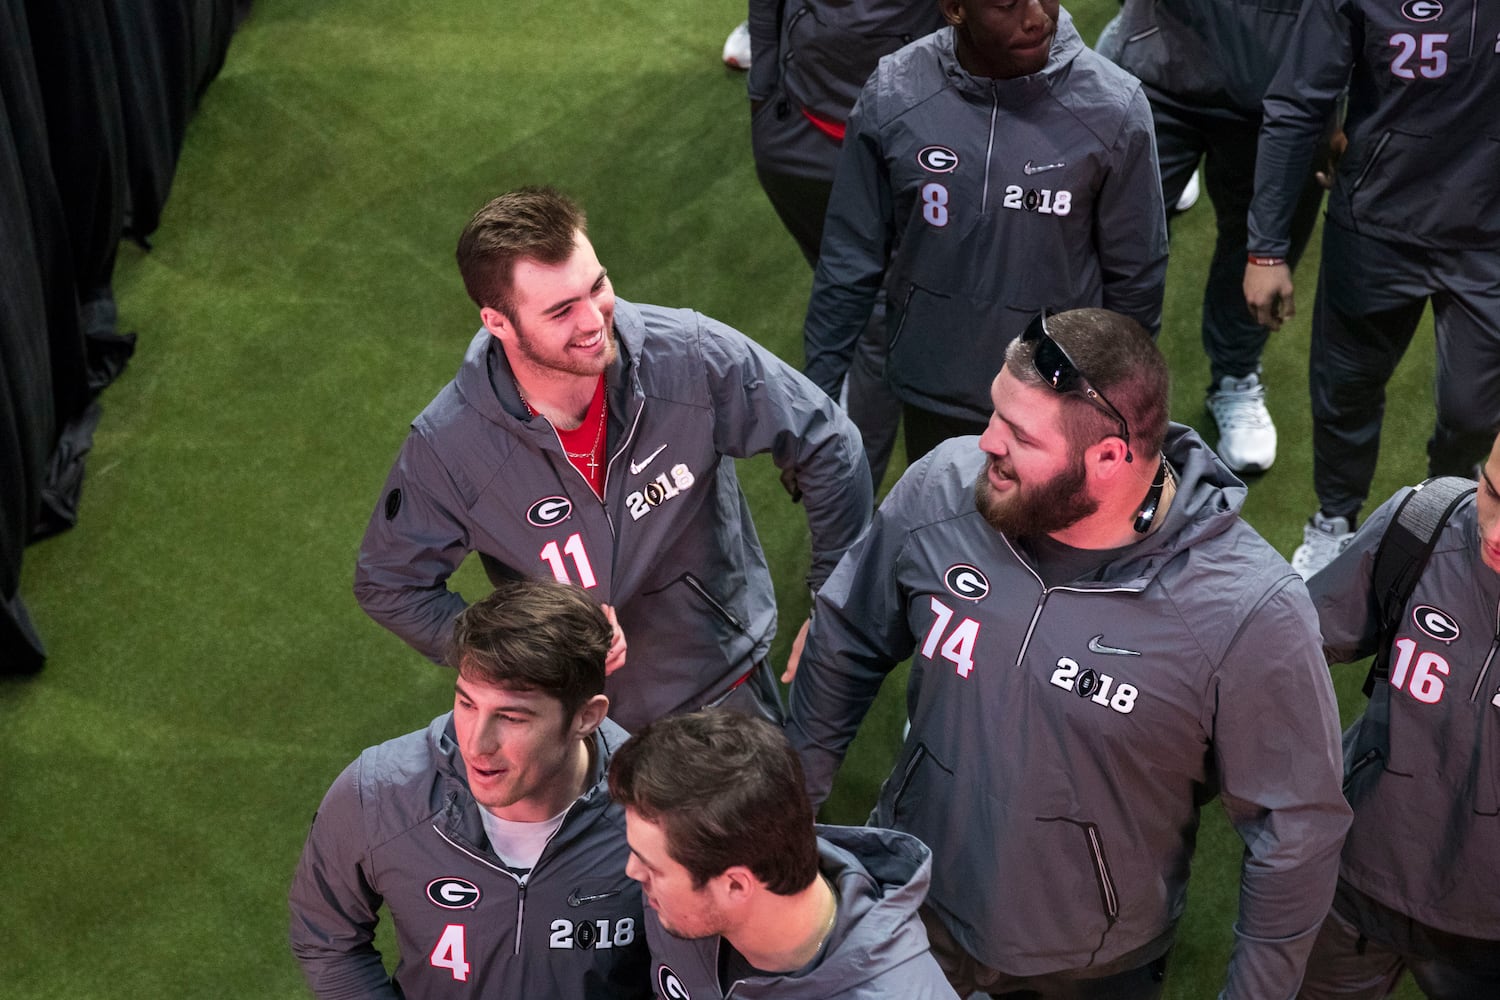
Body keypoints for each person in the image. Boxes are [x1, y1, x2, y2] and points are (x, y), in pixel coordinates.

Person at [787, 307, 1351, 998]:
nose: (985, 443)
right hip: (911, 901)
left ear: (1110, 458)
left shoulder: (1249, 613)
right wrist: (789, 820)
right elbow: (845, 637)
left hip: (1089, 965)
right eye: (995, 414)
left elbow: (1293, 833)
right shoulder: (942, 489)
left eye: (1019, 435)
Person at [354, 186, 872, 732]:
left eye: (596, 286)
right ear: (498, 323)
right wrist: (515, 653)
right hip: (579, 726)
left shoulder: (689, 356)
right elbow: (389, 584)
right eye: (560, 310)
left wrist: (833, 604)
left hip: (723, 688)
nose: (594, 321)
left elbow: (828, 441)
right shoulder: (451, 447)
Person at [803, 0, 1168, 471]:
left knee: (1045, 544)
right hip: (933, 386)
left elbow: (1136, 277)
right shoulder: (893, 95)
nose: (1037, 16)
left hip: (1057, 399)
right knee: (948, 536)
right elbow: (849, 258)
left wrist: (1122, 402)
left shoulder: (1114, 109)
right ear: (955, 8)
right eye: (1007, 4)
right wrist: (816, 400)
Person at [289, 578, 650, 998]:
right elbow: (327, 939)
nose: (476, 744)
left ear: (586, 717)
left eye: (512, 718)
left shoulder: (659, 812)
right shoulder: (377, 794)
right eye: (466, 703)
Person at [1244, 0, 1500, 577]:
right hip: (1377, 223)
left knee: (1471, 412)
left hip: (1490, 240)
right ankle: (1335, 519)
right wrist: (1266, 248)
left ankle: (1443, 515)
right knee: (1346, 390)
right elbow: (1298, 102)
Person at [1297, 433, 1500, 998]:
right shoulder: (1423, 523)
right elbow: (1283, 653)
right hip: (1350, 881)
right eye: (1493, 490)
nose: (1497, 530)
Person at [1096, 0, 1326, 474]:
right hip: (1158, 70)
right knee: (1110, 240)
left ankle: (1235, 374)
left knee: (1258, 251)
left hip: (1285, 91)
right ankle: (1099, 381)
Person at [609, 709, 959, 999]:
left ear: (735, 885)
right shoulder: (683, 898)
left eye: (653, 867)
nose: (632, 872)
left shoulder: (898, 992)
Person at [746, 0, 946, 487]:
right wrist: (765, 94)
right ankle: (845, 491)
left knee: (877, 316)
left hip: (903, 148)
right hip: (799, 139)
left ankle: (844, 493)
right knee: (852, 301)